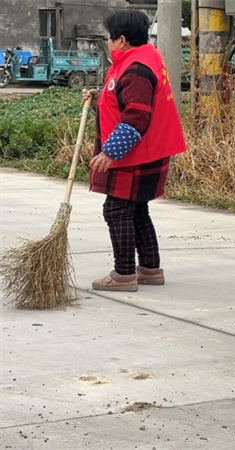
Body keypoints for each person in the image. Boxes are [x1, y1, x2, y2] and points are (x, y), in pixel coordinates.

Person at [82, 10, 186, 292]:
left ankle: (124, 274)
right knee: (137, 209)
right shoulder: (139, 60)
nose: (107, 43)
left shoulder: (137, 69)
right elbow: (123, 102)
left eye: (109, 38)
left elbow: (137, 118)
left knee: (116, 210)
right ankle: (150, 269)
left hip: (137, 152)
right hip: (148, 150)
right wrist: (98, 99)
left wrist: (110, 152)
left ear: (122, 40)